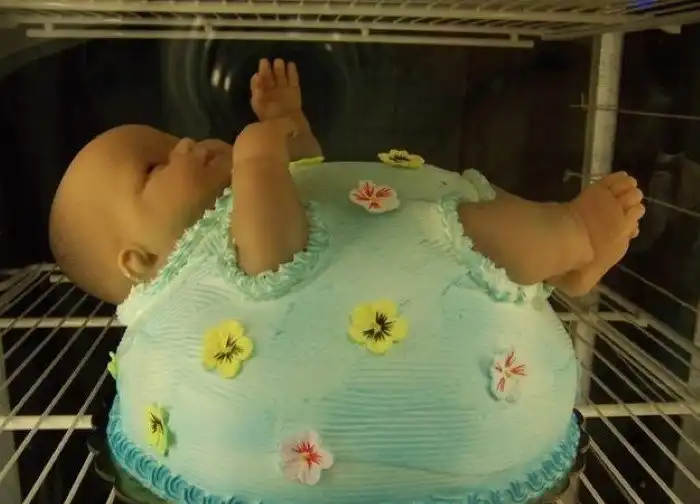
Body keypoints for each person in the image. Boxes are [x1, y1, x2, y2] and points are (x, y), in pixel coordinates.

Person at [49, 58, 644, 306]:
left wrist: (289, 124)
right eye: (155, 167)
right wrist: (256, 161)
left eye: (169, 137)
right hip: (419, 257)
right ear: (140, 260)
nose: (183, 145)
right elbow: (275, 259)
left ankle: (565, 267)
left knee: (486, 212)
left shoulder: (243, 200)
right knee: (481, 238)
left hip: (411, 210)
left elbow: (313, 177)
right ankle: (575, 233)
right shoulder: (210, 273)